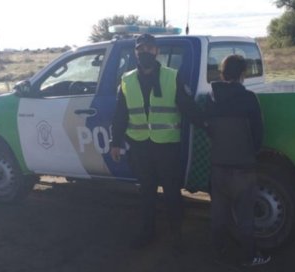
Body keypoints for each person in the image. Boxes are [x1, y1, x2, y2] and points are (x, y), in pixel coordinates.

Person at [110, 33, 203, 251]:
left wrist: (207, 125)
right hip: (140, 146)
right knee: (147, 193)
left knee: (172, 192)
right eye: (141, 49)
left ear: (157, 52)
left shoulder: (172, 76)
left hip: (166, 146)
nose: (145, 53)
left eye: (149, 49)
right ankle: (147, 232)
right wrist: (115, 142)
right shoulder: (127, 80)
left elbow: (187, 106)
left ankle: (177, 236)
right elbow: (120, 114)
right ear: (136, 52)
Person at [204, 54, 270, 267]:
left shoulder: (211, 98)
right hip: (243, 168)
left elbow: (208, 130)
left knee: (219, 215)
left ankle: (218, 252)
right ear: (243, 75)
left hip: (218, 167)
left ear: (222, 74)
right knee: (244, 217)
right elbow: (259, 134)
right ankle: (250, 256)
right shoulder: (249, 98)